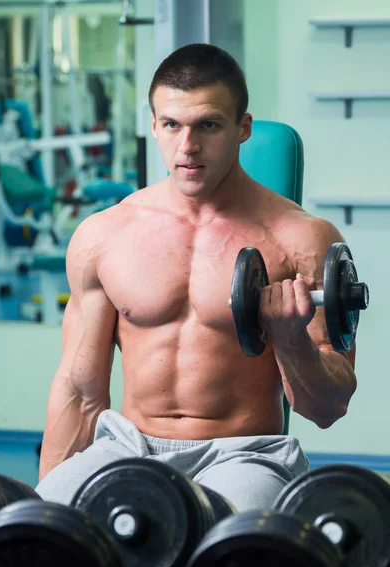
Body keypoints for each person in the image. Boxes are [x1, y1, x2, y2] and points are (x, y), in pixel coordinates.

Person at [36, 44, 357, 511]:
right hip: (126, 447)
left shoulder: (302, 240)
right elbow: (80, 391)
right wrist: (47, 513)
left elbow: (327, 409)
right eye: (171, 125)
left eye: (208, 125)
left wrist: (291, 339)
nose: (187, 147)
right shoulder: (104, 236)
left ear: (242, 128)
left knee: (226, 552)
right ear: (153, 126)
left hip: (243, 454)